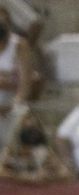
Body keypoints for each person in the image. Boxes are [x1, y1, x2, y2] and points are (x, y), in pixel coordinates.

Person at [0, 5, 37, 149]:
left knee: (11, 145)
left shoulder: (19, 45)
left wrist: (14, 105)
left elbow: (25, 82)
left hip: (10, 107)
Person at [0, 108, 71, 183]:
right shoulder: (10, 151)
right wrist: (20, 177)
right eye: (27, 127)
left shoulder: (43, 152)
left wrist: (48, 175)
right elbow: (1, 171)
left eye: (34, 128)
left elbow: (65, 173)